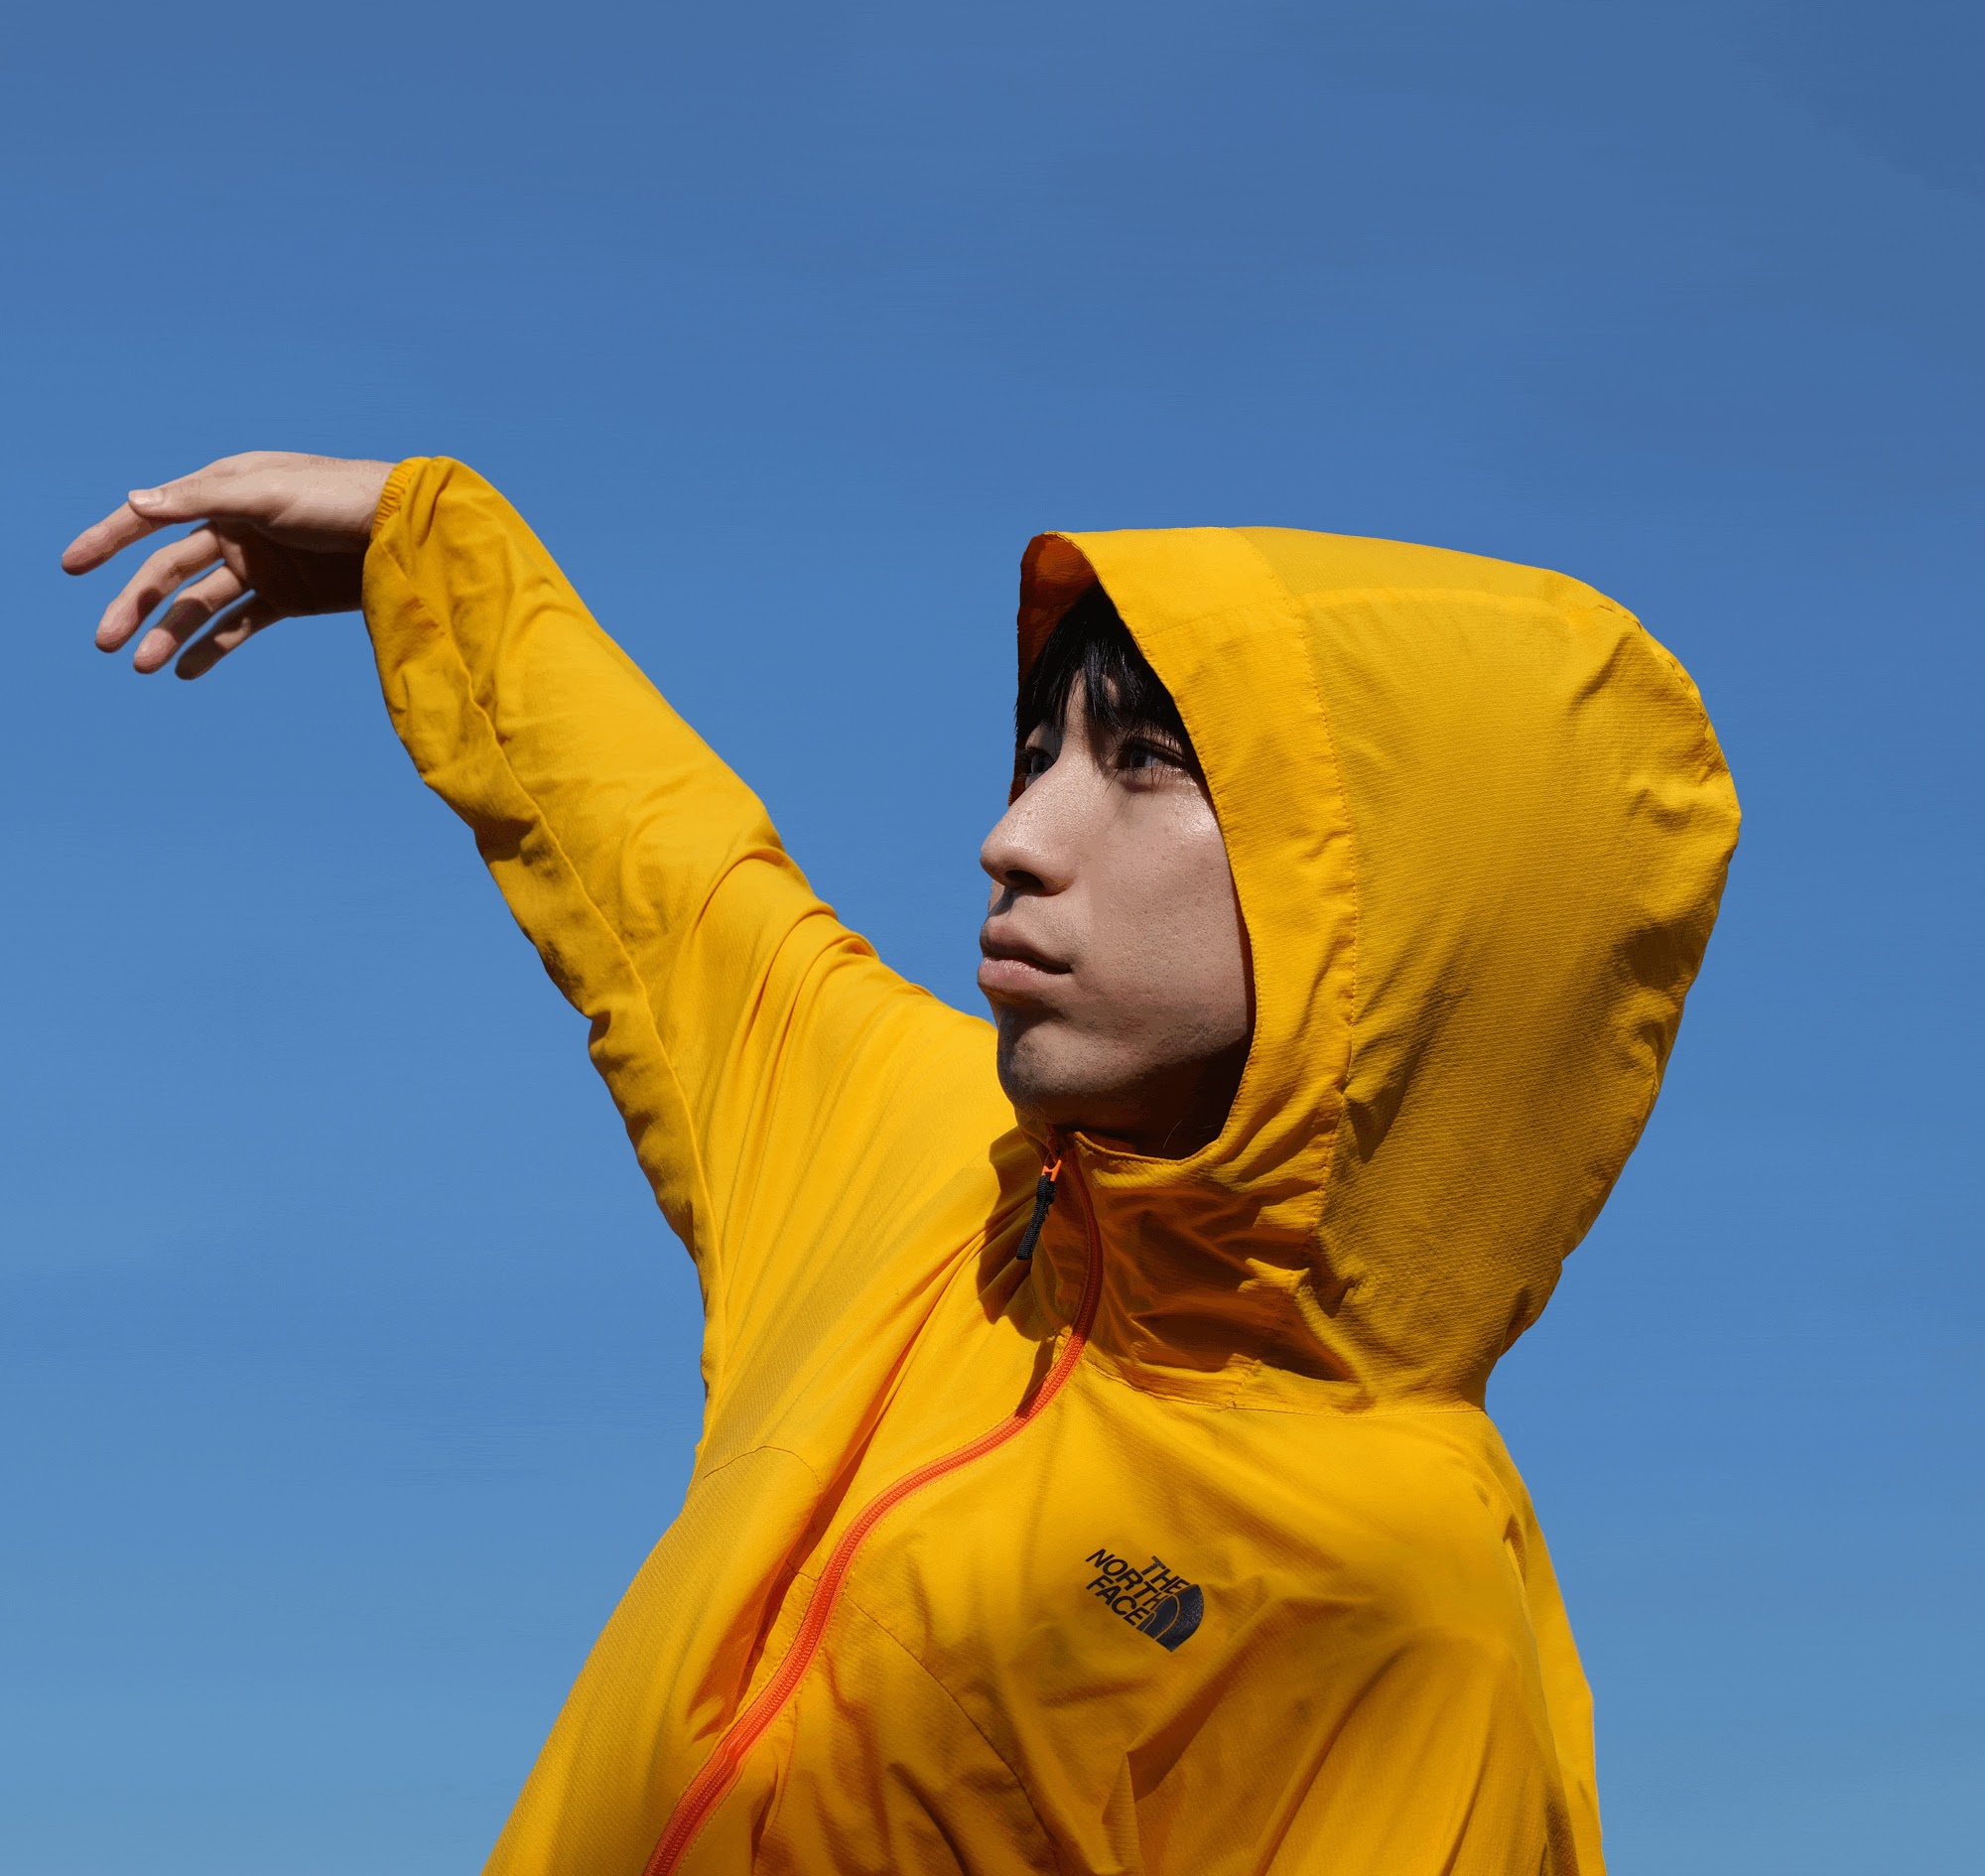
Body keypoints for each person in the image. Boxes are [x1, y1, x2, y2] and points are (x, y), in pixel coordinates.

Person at [64, 452, 1739, 1875]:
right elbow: (678, 883)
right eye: (1036, 755)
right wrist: (431, 550)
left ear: (1409, 914)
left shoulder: (1404, 1611)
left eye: (1147, 765)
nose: (1016, 837)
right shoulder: (929, 1151)